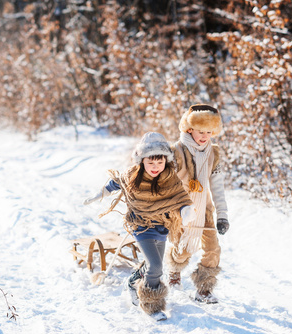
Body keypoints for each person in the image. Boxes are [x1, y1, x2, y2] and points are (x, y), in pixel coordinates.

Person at [83, 132, 195, 321]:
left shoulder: (170, 177)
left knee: (153, 265)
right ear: (141, 161)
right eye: (150, 163)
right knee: (156, 266)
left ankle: (133, 281)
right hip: (141, 226)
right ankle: (151, 305)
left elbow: (181, 197)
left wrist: (186, 211)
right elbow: (115, 182)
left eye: (159, 163)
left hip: (161, 225)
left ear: (165, 161)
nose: (155, 167)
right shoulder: (132, 175)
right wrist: (99, 194)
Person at [166, 104, 229, 304]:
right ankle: (174, 270)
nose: (204, 136)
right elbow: (167, 184)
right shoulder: (176, 152)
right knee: (182, 251)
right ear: (189, 128)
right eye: (201, 131)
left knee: (212, 249)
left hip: (205, 210)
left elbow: (217, 187)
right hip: (182, 210)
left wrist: (222, 215)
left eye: (209, 132)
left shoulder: (214, 154)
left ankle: (204, 290)